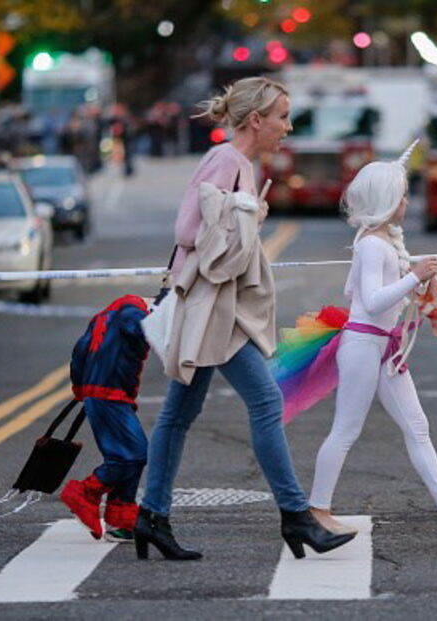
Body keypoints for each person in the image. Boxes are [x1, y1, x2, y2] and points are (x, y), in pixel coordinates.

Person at [134, 77, 355, 561]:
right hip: (214, 309)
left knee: (179, 413)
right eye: (282, 117)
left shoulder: (240, 166)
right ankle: (296, 516)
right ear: (257, 119)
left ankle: (152, 516)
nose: (288, 127)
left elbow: (221, 232)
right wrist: (245, 215)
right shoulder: (227, 160)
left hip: (217, 306)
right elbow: (189, 230)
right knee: (265, 402)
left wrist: (245, 216)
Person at [305, 144, 437, 535]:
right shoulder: (373, 244)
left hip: (382, 346)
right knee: (346, 429)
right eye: (403, 194)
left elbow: (353, 291)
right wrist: (415, 277)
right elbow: (372, 301)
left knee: (417, 425)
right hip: (364, 345)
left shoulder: (374, 242)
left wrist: (412, 284)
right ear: (387, 200)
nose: (408, 200)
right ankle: (316, 511)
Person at [61, 295, 151, 543]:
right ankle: (86, 492)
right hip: (111, 393)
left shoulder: (102, 316)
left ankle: (121, 519)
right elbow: (143, 330)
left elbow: (79, 351)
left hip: (98, 392)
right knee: (133, 454)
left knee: (128, 455)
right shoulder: (133, 313)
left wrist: (80, 388)